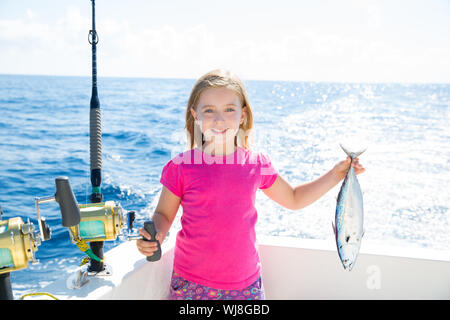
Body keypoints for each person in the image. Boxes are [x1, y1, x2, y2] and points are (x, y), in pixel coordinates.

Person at [136, 69, 365, 300]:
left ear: (242, 115)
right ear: (195, 115)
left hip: (245, 288)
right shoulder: (180, 167)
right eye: (209, 110)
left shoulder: (257, 163)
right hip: (190, 285)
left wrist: (335, 175)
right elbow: (163, 215)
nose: (219, 119)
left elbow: (294, 198)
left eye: (229, 109)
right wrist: (156, 234)